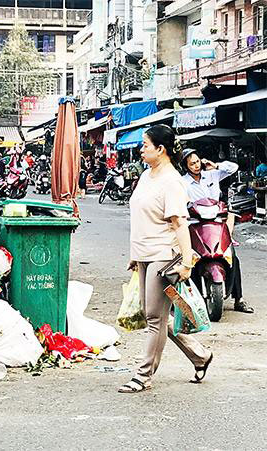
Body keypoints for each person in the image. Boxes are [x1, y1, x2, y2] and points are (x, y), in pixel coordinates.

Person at [119, 124, 213, 393]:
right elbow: (141, 218)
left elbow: (179, 224)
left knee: (153, 317)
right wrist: (135, 256)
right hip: (145, 254)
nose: (141, 149)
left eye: (145, 145)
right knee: (159, 317)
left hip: (163, 254)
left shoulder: (172, 181)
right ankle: (200, 355)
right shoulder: (147, 176)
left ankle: (143, 375)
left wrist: (186, 261)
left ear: (161, 150)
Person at [181, 148, 253, 314]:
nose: (196, 165)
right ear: (186, 166)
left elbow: (233, 168)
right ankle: (190, 299)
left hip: (216, 223)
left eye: (197, 161)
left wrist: (215, 165)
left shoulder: (212, 174)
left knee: (232, 257)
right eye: (192, 163)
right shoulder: (182, 182)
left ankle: (239, 299)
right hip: (194, 224)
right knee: (188, 258)